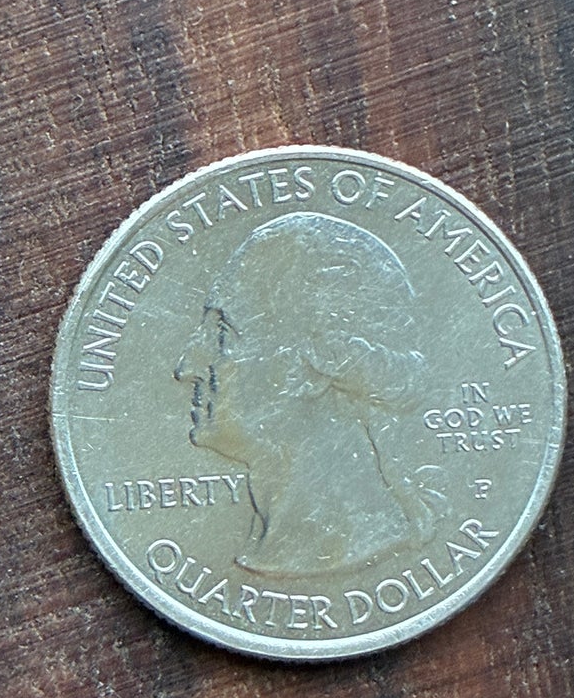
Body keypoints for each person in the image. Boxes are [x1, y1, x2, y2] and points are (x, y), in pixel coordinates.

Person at [174, 211, 445, 576]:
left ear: (319, 363)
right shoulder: (282, 547)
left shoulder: (350, 543)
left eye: (223, 333)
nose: (186, 368)